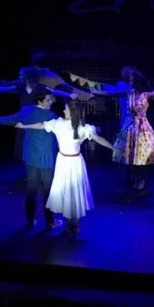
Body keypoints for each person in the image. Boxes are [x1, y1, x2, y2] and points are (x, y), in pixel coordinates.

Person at [16, 100, 117, 236]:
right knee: (65, 192)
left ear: (72, 112)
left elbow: (98, 138)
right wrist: (24, 126)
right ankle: (71, 222)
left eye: (66, 109)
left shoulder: (82, 128)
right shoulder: (58, 124)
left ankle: (75, 223)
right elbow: (41, 125)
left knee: (75, 192)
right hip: (63, 162)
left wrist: (113, 148)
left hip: (75, 163)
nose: (63, 111)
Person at [0, 89, 62, 230]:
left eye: (51, 99)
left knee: (31, 190)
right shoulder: (51, 115)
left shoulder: (27, 110)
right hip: (46, 159)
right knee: (47, 192)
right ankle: (50, 222)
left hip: (30, 157)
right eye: (48, 100)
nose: (51, 102)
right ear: (40, 101)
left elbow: (12, 118)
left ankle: (30, 221)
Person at [111, 69, 154, 191]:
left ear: (137, 81)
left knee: (141, 156)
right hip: (129, 127)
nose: (130, 82)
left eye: (132, 80)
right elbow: (112, 93)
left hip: (142, 127)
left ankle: (142, 179)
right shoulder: (129, 93)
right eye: (130, 80)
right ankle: (135, 177)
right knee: (130, 155)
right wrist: (96, 92)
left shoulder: (145, 94)